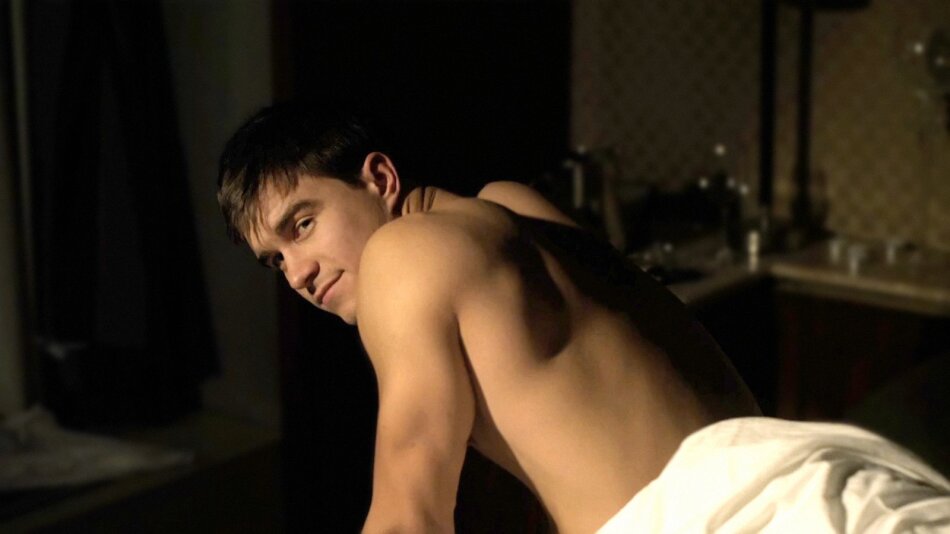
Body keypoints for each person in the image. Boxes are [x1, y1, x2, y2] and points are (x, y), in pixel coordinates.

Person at [217, 102, 950, 533]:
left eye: (302, 225)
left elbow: (410, 514)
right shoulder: (513, 206)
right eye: (275, 261)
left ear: (379, 178)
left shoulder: (400, 256)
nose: (299, 273)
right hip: (827, 493)